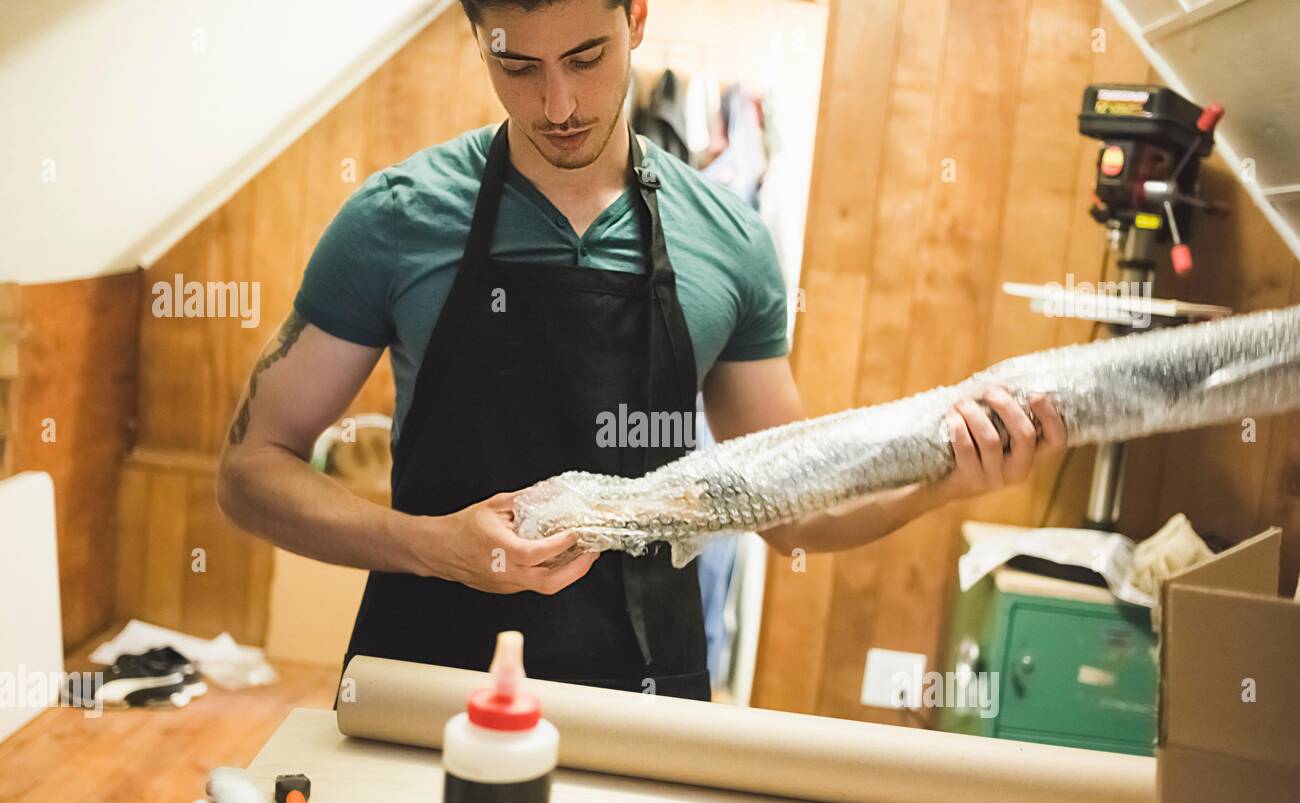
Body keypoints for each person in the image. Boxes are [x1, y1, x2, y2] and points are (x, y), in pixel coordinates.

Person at [216, 0, 1066, 702]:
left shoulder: (728, 241)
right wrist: (432, 546)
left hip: (645, 700)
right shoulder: (396, 220)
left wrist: (944, 478)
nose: (559, 105)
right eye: (518, 67)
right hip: (423, 690)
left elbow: (793, 509)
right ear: (477, 41)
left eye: (586, 57)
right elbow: (252, 467)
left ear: (638, 19)